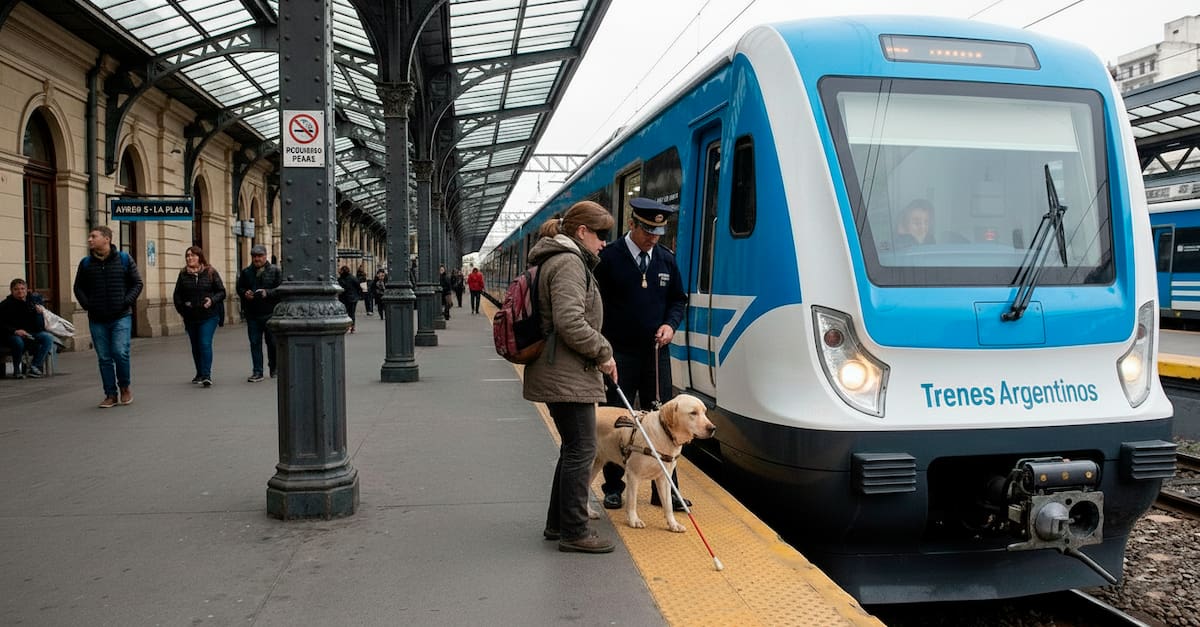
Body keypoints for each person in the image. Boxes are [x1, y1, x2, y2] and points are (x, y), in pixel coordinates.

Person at [523, 200, 618, 554]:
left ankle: (557, 524)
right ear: (582, 232)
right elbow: (570, 322)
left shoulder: (561, 259)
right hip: (566, 372)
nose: (604, 243)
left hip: (562, 369)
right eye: (601, 235)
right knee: (583, 448)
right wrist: (604, 352)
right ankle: (575, 531)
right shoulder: (568, 263)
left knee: (573, 449)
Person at [594, 197, 690, 512]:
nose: (653, 238)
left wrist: (670, 325)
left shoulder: (666, 259)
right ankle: (612, 487)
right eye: (648, 230)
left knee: (665, 420)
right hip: (619, 353)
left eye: (658, 232)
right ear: (632, 224)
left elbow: (678, 299)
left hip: (655, 354)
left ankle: (666, 490)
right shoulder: (609, 259)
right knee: (619, 420)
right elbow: (594, 304)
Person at [74, 225, 144, 408]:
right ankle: (110, 394)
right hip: (97, 318)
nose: (89, 239)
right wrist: (88, 305)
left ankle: (125, 387)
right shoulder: (86, 263)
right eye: (89, 236)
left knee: (120, 352)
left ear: (107, 239)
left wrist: (125, 301)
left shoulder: (123, 259)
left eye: (93, 236)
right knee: (104, 357)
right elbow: (78, 287)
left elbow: (137, 283)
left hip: (121, 316)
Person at [173, 246, 226, 388]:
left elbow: (221, 292)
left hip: (209, 315)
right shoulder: (183, 274)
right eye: (187, 256)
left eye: (193, 255)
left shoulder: (210, 272)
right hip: (191, 317)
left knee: (204, 343)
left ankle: (207, 375)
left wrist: (212, 300)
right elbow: (177, 295)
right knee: (195, 346)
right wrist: (183, 310)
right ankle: (199, 373)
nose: (189, 258)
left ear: (200, 257)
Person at [237, 244, 281, 382]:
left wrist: (267, 293)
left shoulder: (275, 271)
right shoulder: (246, 272)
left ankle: (274, 367)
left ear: (265, 256)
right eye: (254, 256)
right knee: (254, 343)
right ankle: (257, 371)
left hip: (270, 313)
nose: (257, 259)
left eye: (259, 256)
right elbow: (240, 287)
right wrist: (245, 293)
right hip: (252, 314)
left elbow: (281, 289)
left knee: (272, 343)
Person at [0, 278, 53, 378]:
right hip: (12, 334)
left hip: (30, 333)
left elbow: (39, 326)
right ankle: (17, 370)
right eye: (16, 289)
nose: (20, 291)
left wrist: (39, 315)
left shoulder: (32, 302)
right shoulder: (5, 305)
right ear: (12, 291)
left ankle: (34, 366)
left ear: (26, 289)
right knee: (18, 342)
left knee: (48, 337)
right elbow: (2, 325)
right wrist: (15, 331)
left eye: (22, 288)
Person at [337, 265, 363, 333]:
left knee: (345, 312)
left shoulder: (340, 279)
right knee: (352, 313)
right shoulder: (353, 278)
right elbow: (358, 286)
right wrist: (358, 295)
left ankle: (347, 325)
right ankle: (352, 326)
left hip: (344, 298)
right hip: (353, 298)